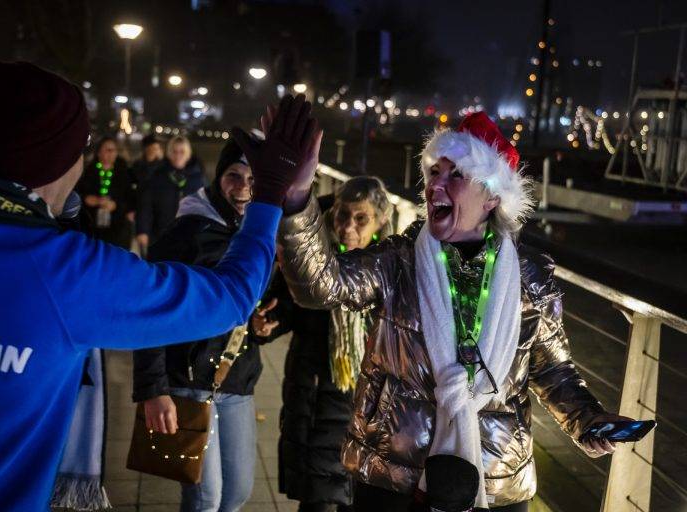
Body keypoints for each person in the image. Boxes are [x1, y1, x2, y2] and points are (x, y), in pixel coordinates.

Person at [0, 60, 319, 512]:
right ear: (61, 157)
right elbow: (229, 297)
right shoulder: (71, 271)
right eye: (83, 146)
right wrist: (269, 193)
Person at [273, 111, 628, 511]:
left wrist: (589, 422)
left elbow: (553, 371)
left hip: (496, 479)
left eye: (455, 175)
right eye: (433, 172)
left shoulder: (531, 279)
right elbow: (321, 285)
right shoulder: (397, 261)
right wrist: (298, 200)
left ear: (492, 197)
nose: (434, 185)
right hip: (394, 472)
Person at [134, 137, 271, 512]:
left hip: (237, 377)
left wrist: (261, 323)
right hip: (189, 380)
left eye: (253, 179)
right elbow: (152, 309)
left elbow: (267, 299)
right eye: (233, 175)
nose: (243, 188)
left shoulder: (261, 233)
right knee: (204, 497)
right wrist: (153, 388)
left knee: (239, 492)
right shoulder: (187, 231)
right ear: (217, 178)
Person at [250, 176, 393, 512]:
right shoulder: (312, 260)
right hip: (316, 404)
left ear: (381, 220)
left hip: (368, 415)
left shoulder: (390, 268)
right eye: (343, 215)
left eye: (361, 219)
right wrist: (266, 324)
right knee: (319, 502)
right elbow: (283, 307)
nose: (348, 227)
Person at [136, 135, 206, 250]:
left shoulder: (197, 179)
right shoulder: (158, 176)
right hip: (160, 235)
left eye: (182, 152)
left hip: (189, 238)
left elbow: (204, 208)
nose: (178, 155)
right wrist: (143, 231)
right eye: (174, 151)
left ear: (188, 154)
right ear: (169, 153)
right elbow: (146, 206)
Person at [76, 136, 134, 247]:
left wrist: (115, 205)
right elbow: (79, 194)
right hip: (92, 227)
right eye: (108, 150)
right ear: (99, 152)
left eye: (114, 150)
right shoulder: (88, 172)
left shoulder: (123, 172)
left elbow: (129, 198)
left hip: (117, 228)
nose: (112, 153)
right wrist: (88, 200)